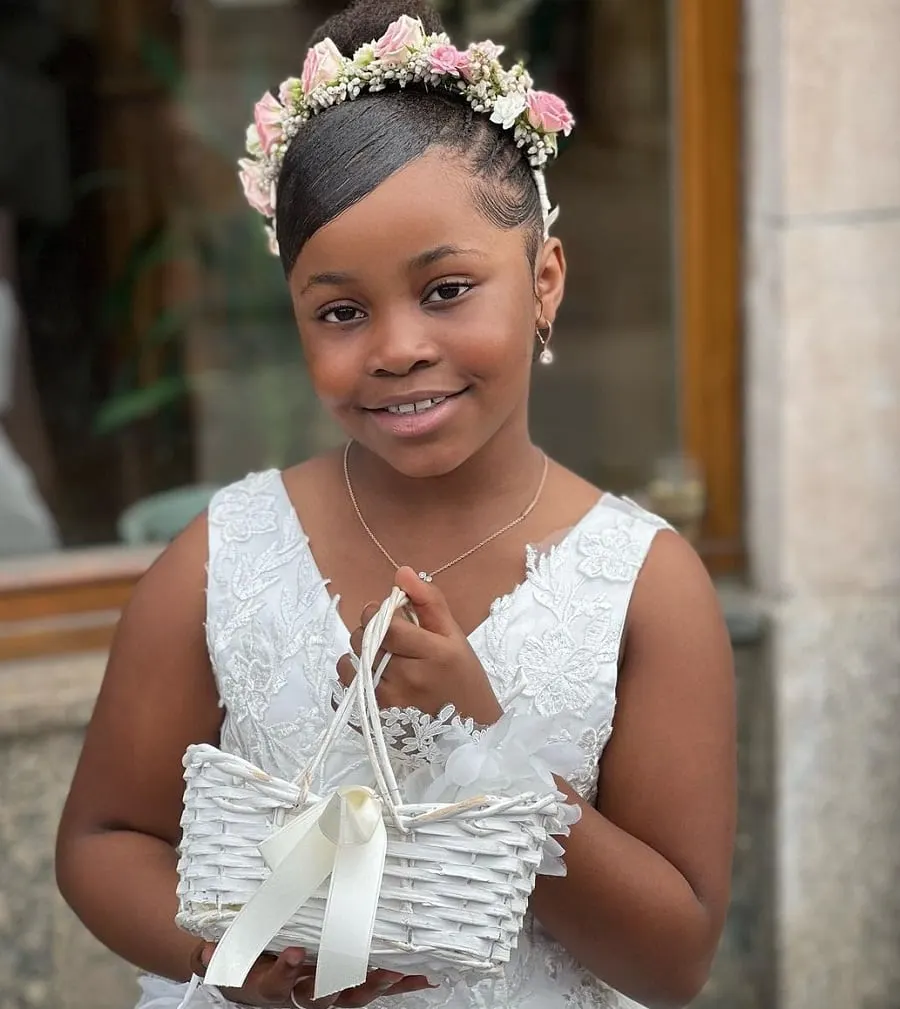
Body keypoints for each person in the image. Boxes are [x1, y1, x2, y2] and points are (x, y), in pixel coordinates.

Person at [55, 2, 736, 1007]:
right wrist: (232, 961)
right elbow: (105, 838)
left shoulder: (645, 586)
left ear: (545, 281)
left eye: (448, 289)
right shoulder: (225, 557)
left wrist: (482, 739)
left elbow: (672, 960)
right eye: (340, 311)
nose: (396, 346)